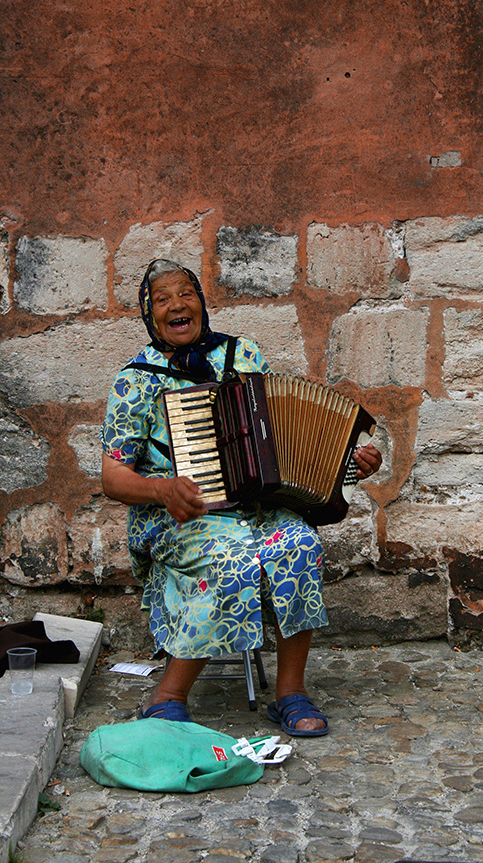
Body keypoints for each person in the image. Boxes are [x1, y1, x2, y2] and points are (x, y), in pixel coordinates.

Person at [101, 258, 382, 736]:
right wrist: (163, 488)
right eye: (162, 299)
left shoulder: (244, 356)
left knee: (300, 545)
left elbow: (281, 443)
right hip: (178, 516)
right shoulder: (136, 381)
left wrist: (347, 465)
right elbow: (112, 477)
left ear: (201, 302)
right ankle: (168, 695)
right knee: (230, 555)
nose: (176, 305)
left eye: (185, 293)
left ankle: (290, 693)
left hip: (256, 506)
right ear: (150, 315)